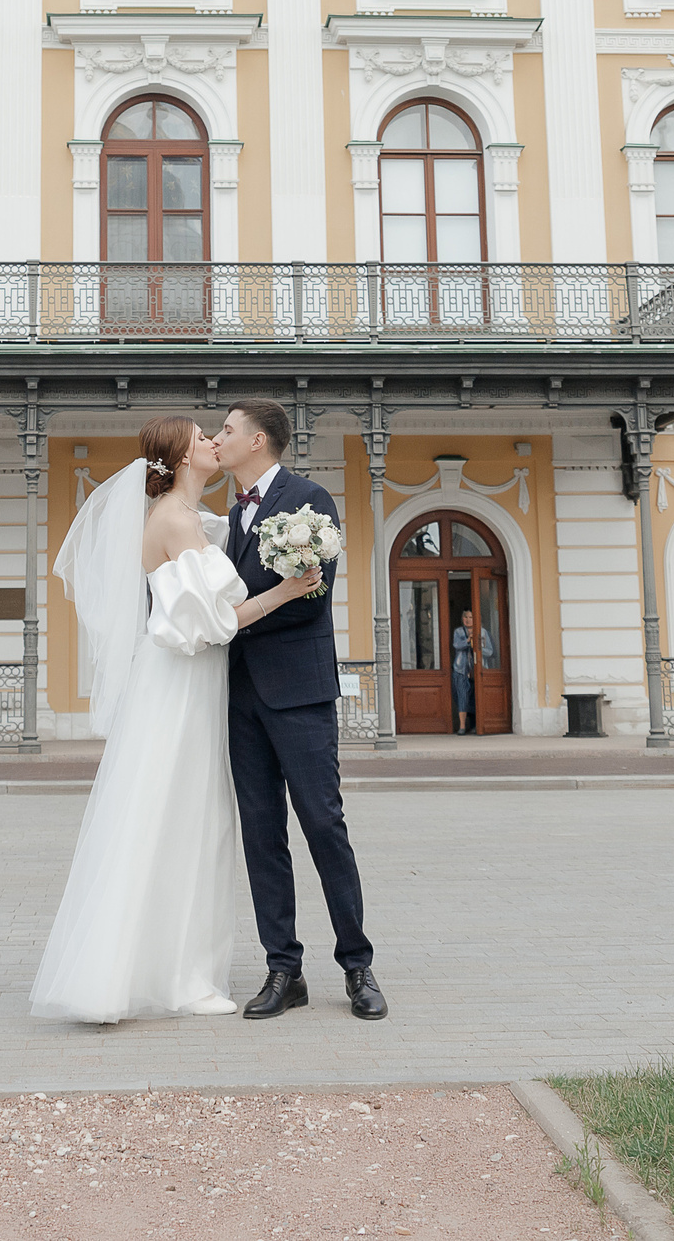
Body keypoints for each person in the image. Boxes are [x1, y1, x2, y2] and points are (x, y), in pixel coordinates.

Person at [30, 415, 318, 1022]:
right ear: (186, 459)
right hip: (182, 686)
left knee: (184, 820)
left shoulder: (189, 519)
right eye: (203, 438)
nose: (215, 442)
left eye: (219, 433)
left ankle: (174, 970)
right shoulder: (174, 522)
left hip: (193, 684)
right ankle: (174, 977)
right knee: (177, 819)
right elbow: (213, 621)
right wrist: (288, 591)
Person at [215, 398, 386, 1021]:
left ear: (257, 441)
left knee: (322, 824)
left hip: (300, 693)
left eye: (226, 430)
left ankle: (358, 966)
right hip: (240, 700)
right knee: (262, 837)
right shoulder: (231, 515)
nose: (218, 437)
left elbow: (311, 600)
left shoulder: (309, 501)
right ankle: (283, 969)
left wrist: (228, 624)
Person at [450, 607, 492, 735]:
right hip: (461, 669)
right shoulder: (458, 632)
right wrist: (468, 641)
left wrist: (477, 648)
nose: (468, 620)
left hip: (478, 670)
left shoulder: (483, 632)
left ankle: (476, 726)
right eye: (466, 617)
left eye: (471, 617)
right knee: (462, 697)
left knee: (476, 698)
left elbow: (490, 651)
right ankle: (462, 726)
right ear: (462, 619)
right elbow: (456, 645)